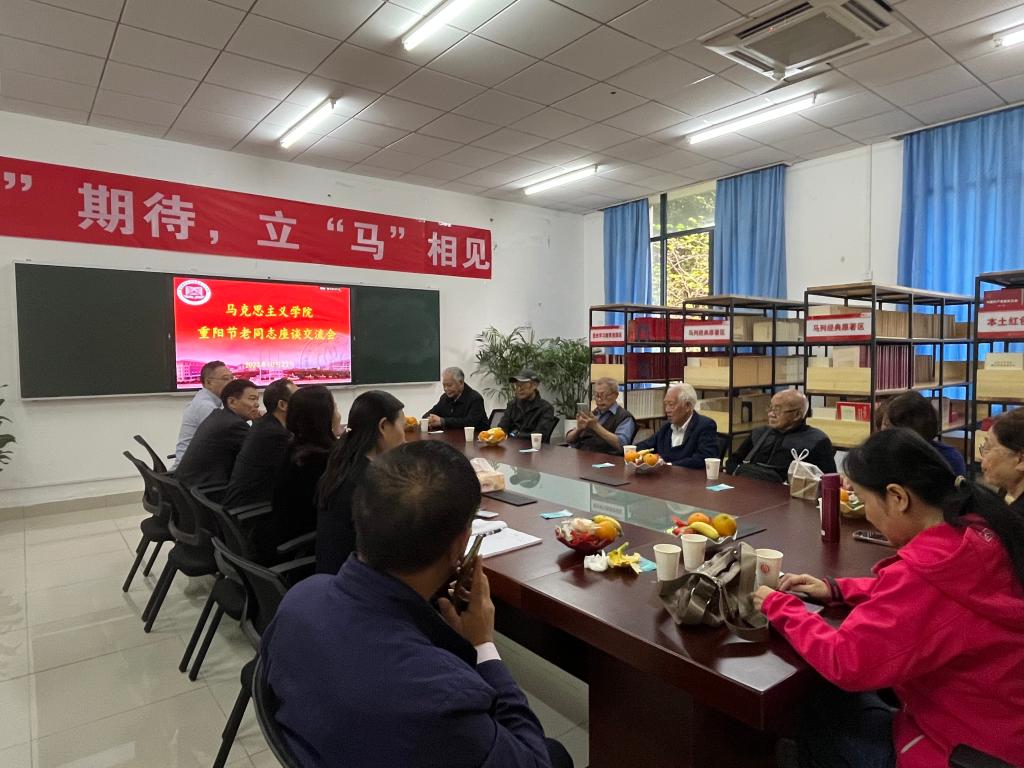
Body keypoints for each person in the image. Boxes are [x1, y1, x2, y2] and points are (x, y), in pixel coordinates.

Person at [262, 441, 573, 768]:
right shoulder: (442, 695)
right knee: (556, 755)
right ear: (461, 543)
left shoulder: (299, 599)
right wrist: (483, 646)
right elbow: (534, 762)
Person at [753, 429, 1024, 768]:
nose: (867, 514)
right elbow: (939, 604)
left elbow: (845, 660)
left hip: (951, 749)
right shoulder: (978, 532)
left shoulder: (927, 575)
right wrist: (839, 589)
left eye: (865, 502)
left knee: (816, 700)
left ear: (897, 497)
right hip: (1001, 731)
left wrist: (778, 606)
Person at [315, 390, 406, 575]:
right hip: (358, 582)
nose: (404, 439)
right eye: (402, 427)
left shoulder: (343, 462)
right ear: (383, 426)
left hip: (335, 576)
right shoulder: (371, 483)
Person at [260, 385, 340, 561]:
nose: (338, 415)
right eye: (335, 408)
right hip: (304, 548)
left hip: (282, 537)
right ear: (324, 417)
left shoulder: (295, 447)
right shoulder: (319, 461)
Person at [726, 389, 836, 482]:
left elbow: (829, 481)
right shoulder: (759, 433)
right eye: (770, 408)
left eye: (777, 410)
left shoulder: (816, 440)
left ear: (797, 415)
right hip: (748, 489)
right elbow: (732, 462)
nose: (771, 414)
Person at [222, 378, 297, 509]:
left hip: (240, 506)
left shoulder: (265, 424)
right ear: (282, 405)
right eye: (299, 399)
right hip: (251, 512)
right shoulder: (276, 434)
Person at [174, 379, 260, 489]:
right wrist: (261, 424)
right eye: (252, 399)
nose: (257, 404)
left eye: (257, 399)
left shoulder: (218, 416)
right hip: (205, 492)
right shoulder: (234, 425)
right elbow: (260, 453)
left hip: (188, 488)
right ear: (232, 402)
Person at [880, 390, 966, 475]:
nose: (883, 430)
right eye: (884, 424)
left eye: (887, 426)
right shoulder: (880, 454)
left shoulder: (948, 459)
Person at [635, 383, 717, 468]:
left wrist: (668, 465)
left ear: (687, 406)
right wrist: (637, 454)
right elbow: (644, 446)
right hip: (663, 475)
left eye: (671, 405)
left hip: (688, 476)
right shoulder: (666, 427)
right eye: (665, 404)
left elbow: (703, 459)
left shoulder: (705, 426)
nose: (667, 410)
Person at [173, 360, 233, 464]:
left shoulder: (211, 401)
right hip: (191, 469)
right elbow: (227, 437)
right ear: (209, 382)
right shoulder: (205, 406)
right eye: (225, 379)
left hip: (198, 463)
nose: (231, 383)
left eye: (232, 378)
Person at [565, 377, 636, 454]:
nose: (599, 399)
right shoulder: (593, 413)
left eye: (603, 395)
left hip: (606, 458)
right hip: (583, 455)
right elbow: (569, 440)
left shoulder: (624, 417)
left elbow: (622, 445)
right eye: (596, 395)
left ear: (615, 395)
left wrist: (595, 426)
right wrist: (579, 429)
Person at [980, 408, 1024, 510]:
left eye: (989, 447)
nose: (983, 457)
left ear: (1021, 460)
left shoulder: (1017, 517)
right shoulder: (1006, 492)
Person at [497, 370, 558, 442]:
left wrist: (515, 434)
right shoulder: (512, 405)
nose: (519, 389)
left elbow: (540, 436)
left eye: (523, 385)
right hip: (511, 446)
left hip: (534, 447)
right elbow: (502, 429)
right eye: (517, 385)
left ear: (534, 385)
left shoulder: (546, 408)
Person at [424, 366, 488, 433]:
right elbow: (429, 414)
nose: (446, 389)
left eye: (449, 385)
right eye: (444, 385)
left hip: (476, 437)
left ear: (461, 382)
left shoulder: (475, 399)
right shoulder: (444, 398)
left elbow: (470, 423)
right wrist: (429, 420)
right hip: (451, 437)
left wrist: (443, 421)